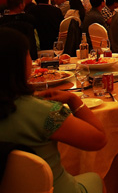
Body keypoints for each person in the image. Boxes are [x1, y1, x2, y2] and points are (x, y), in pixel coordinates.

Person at [0, 27, 106, 193]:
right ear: (19, 63)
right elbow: (98, 140)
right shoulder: (45, 112)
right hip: (53, 188)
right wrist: (73, 100)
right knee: (96, 178)